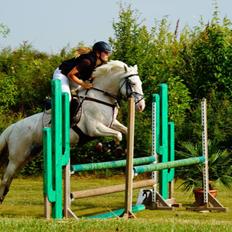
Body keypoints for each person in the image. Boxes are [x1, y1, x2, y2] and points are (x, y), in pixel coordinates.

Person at [52, 41, 112, 125]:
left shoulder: (99, 63)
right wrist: (83, 84)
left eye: (108, 53)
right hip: (63, 74)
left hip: (75, 78)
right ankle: (60, 122)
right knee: (67, 98)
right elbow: (70, 74)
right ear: (98, 53)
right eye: (105, 52)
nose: (107, 55)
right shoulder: (87, 61)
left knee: (83, 96)